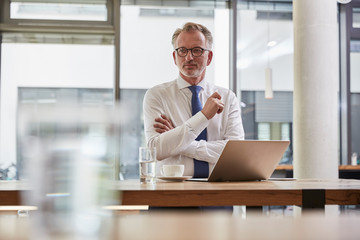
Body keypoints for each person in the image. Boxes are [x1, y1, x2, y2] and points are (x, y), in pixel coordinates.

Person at [143, 22, 244, 178]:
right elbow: (155, 150)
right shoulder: (156, 95)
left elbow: (236, 153)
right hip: (169, 193)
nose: (188, 57)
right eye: (182, 50)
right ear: (174, 57)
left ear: (209, 57)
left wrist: (179, 142)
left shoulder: (227, 97)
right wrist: (203, 116)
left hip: (220, 192)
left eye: (197, 50)